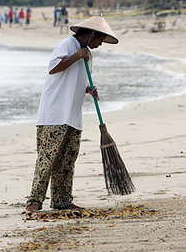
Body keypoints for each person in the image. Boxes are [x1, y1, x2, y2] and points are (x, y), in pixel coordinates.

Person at [25, 15, 119, 213]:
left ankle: (62, 199)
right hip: (54, 114)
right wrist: (77, 55)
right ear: (92, 34)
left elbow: (76, 79)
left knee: (67, 160)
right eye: (100, 39)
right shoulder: (66, 44)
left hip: (73, 116)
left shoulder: (88, 55)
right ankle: (34, 200)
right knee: (47, 157)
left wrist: (88, 89)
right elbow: (53, 69)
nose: (100, 44)